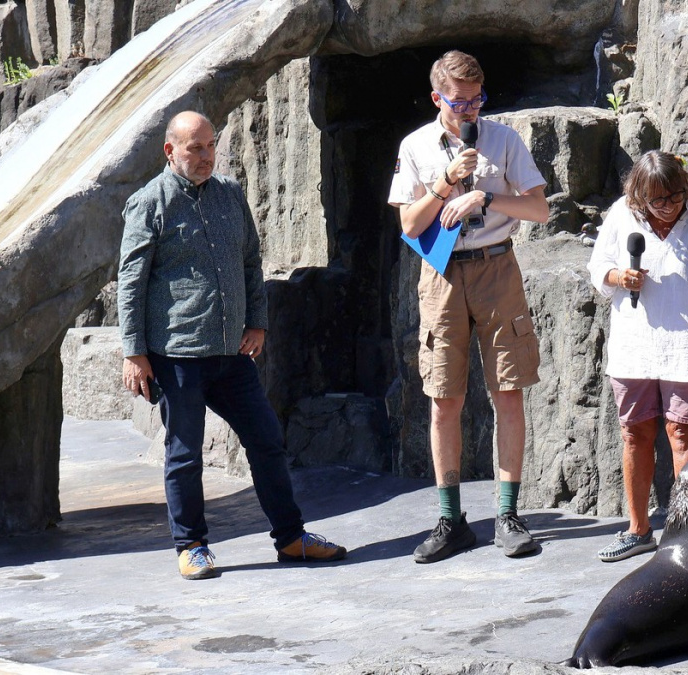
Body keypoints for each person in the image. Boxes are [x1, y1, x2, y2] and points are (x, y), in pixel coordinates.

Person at [118, 111, 346, 580]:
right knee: (185, 453)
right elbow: (131, 281)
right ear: (170, 151)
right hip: (177, 355)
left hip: (231, 354)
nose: (205, 156)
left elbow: (249, 260)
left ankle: (291, 538)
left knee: (266, 440)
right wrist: (133, 352)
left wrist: (257, 324)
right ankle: (191, 545)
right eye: (194, 148)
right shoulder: (149, 203)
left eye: (210, 146)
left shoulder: (230, 194)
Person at [387, 50, 549, 563]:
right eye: (459, 102)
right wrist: (446, 183)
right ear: (439, 98)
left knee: (508, 389)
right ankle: (450, 519)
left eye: (477, 99)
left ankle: (507, 514)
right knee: (444, 398)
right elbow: (410, 226)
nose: (470, 110)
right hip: (441, 274)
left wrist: (485, 199)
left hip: (497, 267)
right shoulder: (414, 146)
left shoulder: (504, 139)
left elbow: (540, 209)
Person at [587, 150, 688, 562]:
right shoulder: (620, 214)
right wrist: (621, 276)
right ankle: (637, 529)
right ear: (639, 197)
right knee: (635, 433)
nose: (670, 207)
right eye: (659, 201)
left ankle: (686, 531)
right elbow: (598, 266)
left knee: (683, 432)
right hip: (634, 342)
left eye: (677, 197)